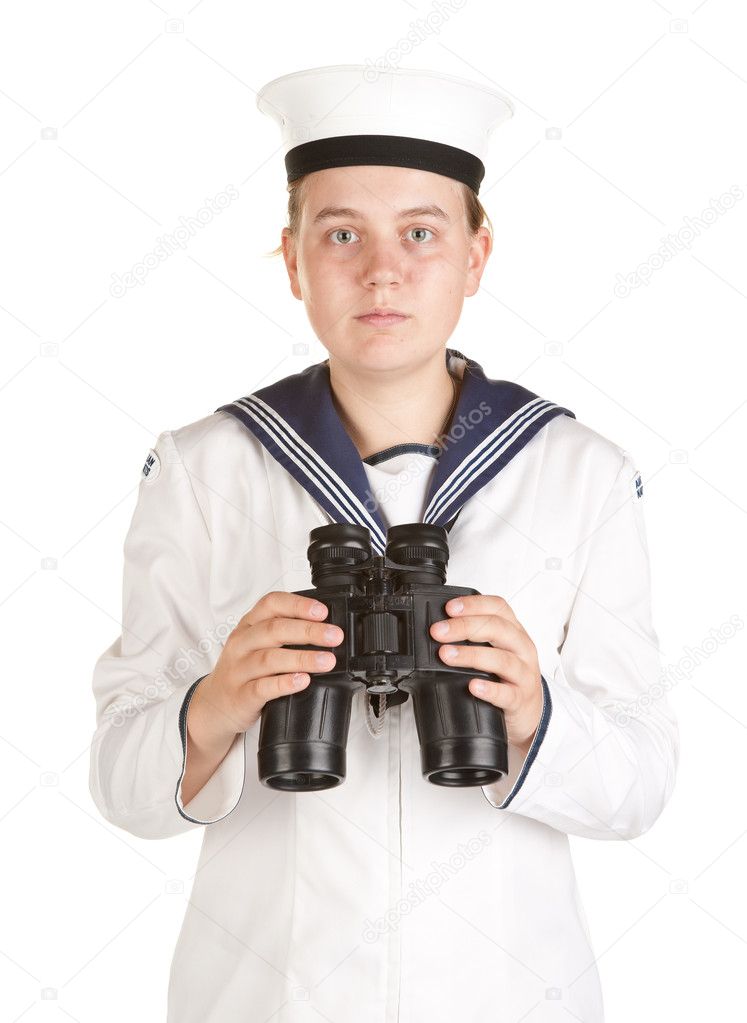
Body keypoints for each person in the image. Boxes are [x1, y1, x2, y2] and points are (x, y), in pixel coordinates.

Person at [88, 65, 679, 1022]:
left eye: (420, 232)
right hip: (263, 997)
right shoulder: (204, 468)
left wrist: (532, 713)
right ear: (289, 259)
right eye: (339, 234)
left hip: (508, 994)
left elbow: (642, 784)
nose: (381, 270)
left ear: (477, 254)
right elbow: (121, 780)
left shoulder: (578, 472)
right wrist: (213, 708)